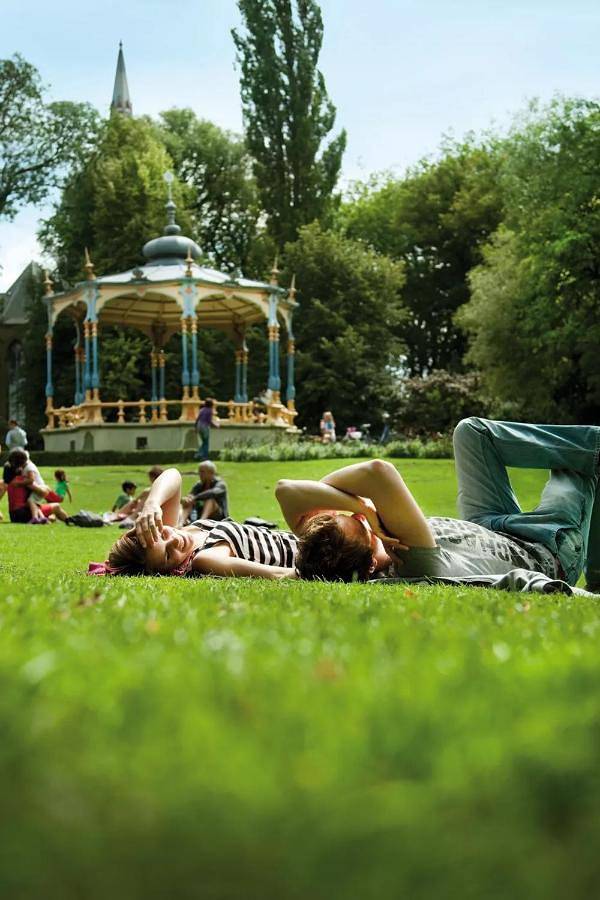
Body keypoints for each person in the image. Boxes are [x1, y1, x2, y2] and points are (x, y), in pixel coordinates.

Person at [279, 417, 600, 590]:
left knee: (471, 432)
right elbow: (377, 473)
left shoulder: (322, 559)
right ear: (370, 566)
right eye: (362, 527)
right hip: (546, 549)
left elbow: (286, 490)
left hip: (487, 524)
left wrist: (364, 514)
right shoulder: (408, 559)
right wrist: (365, 510)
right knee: (573, 467)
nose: (361, 513)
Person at [94, 468, 297, 578]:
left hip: (299, 535)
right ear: (165, 571)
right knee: (287, 489)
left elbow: (173, 475)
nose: (174, 542)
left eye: (163, 534)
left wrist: (153, 504)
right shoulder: (204, 558)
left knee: (291, 489)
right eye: (167, 556)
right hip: (312, 548)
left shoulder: (180, 531)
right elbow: (282, 575)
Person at [1, 451, 68, 523]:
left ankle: (46, 518)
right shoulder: (24, 480)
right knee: (56, 506)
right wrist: (46, 488)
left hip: (13, 516)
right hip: (24, 513)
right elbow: (42, 492)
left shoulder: (8, 483)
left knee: (47, 514)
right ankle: (70, 520)